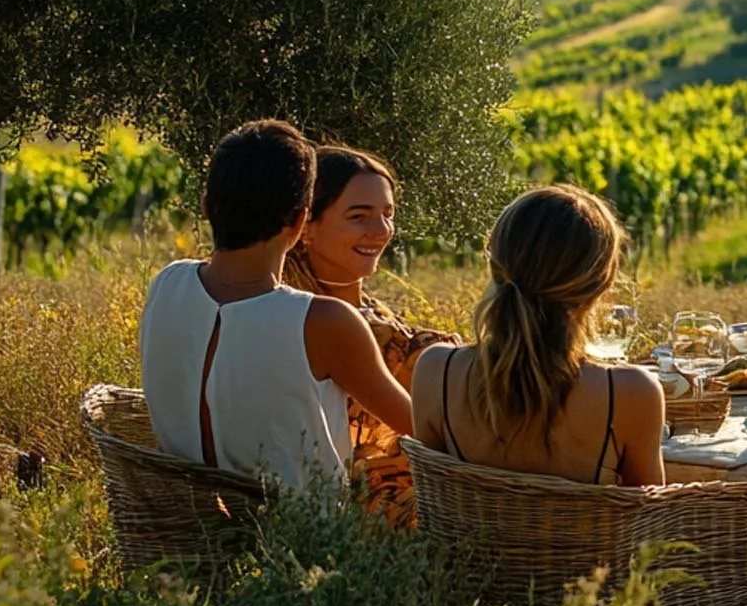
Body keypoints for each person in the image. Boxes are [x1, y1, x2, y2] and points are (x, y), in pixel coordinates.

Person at [140, 120, 412, 489]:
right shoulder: (322, 319)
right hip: (304, 538)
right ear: (301, 221)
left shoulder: (167, 283)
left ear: (207, 207)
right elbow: (419, 426)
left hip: (190, 516)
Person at [412, 184, 663, 486]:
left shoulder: (436, 370)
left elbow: (433, 494)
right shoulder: (631, 392)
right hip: (584, 535)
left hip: (463, 535)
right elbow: (648, 516)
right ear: (602, 283)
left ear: (493, 266)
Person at [282, 145, 456, 524]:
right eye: (359, 216)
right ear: (306, 226)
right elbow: (429, 430)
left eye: (388, 215)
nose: (381, 231)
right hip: (364, 507)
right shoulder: (313, 317)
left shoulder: (373, 313)